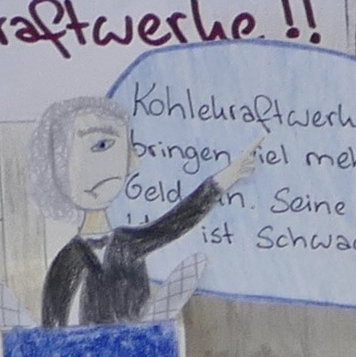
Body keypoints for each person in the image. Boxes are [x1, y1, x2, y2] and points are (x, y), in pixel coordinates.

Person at [19, 94, 262, 329]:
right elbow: (52, 336)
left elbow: (178, 221)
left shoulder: (128, 244)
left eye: (119, 147)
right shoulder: (65, 263)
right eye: (101, 145)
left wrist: (229, 176)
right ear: (58, 167)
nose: (127, 160)